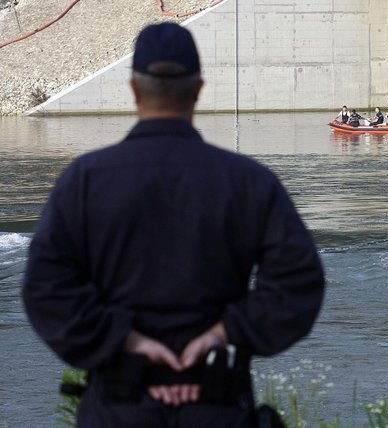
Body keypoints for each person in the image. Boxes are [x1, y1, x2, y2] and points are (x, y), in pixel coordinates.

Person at [22, 23, 325, 428]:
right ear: (198, 89)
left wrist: (125, 340)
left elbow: (45, 289)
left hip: (118, 408)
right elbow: (298, 283)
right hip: (217, 408)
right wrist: (224, 333)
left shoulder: (84, 180)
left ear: (133, 89)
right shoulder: (248, 181)